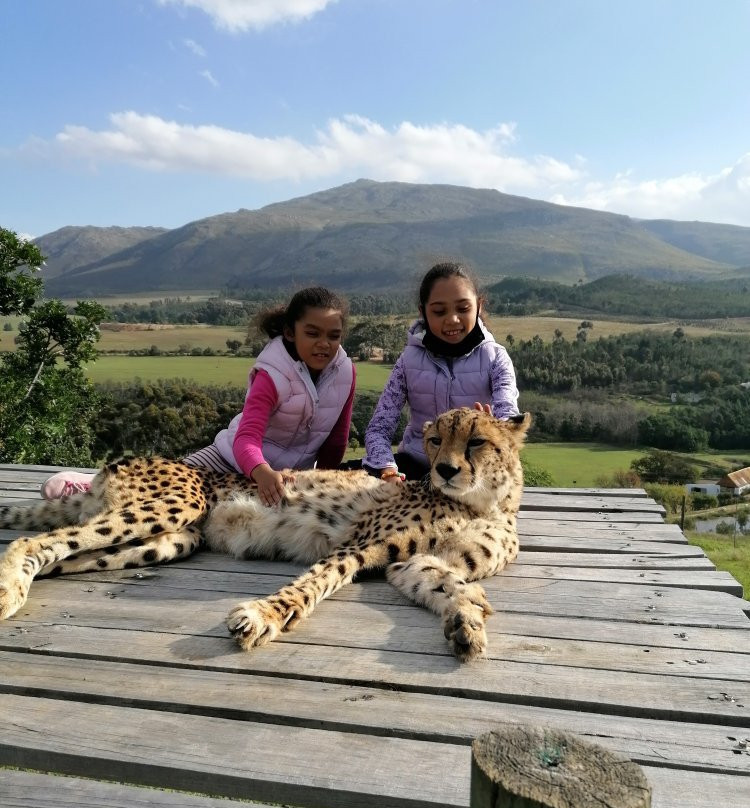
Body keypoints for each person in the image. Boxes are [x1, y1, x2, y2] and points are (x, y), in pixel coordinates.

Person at [42, 287, 356, 508]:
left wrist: (322, 481)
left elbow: (336, 440)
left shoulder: (344, 373)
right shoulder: (272, 374)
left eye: (334, 336)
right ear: (290, 332)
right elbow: (246, 438)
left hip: (283, 477)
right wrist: (261, 472)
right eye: (312, 333)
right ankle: (90, 485)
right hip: (230, 458)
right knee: (162, 486)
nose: (324, 344)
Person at [362, 261, 519, 482]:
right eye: (439, 311)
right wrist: (387, 469)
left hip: (472, 473)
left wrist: (494, 429)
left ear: (479, 306)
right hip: (414, 468)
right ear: (423, 312)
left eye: (463, 309)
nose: (452, 319)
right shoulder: (407, 361)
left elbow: (509, 418)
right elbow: (379, 428)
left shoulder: (495, 358)